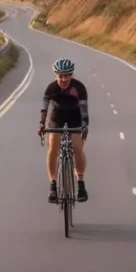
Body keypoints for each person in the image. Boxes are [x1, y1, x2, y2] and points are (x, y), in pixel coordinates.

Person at [38, 57, 89, 204]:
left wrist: (85, 125)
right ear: (56, 75)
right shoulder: (51, 88)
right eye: (61, 75)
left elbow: (84, 110)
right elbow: (44, 108)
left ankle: (80, 184)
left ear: (72, 75)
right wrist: (42, 124)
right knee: (53, 146)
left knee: (77, 147)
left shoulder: (79, 88)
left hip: (75, 116)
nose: (64, 79)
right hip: (57, 116)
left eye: (67, 75)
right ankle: (53, 185)